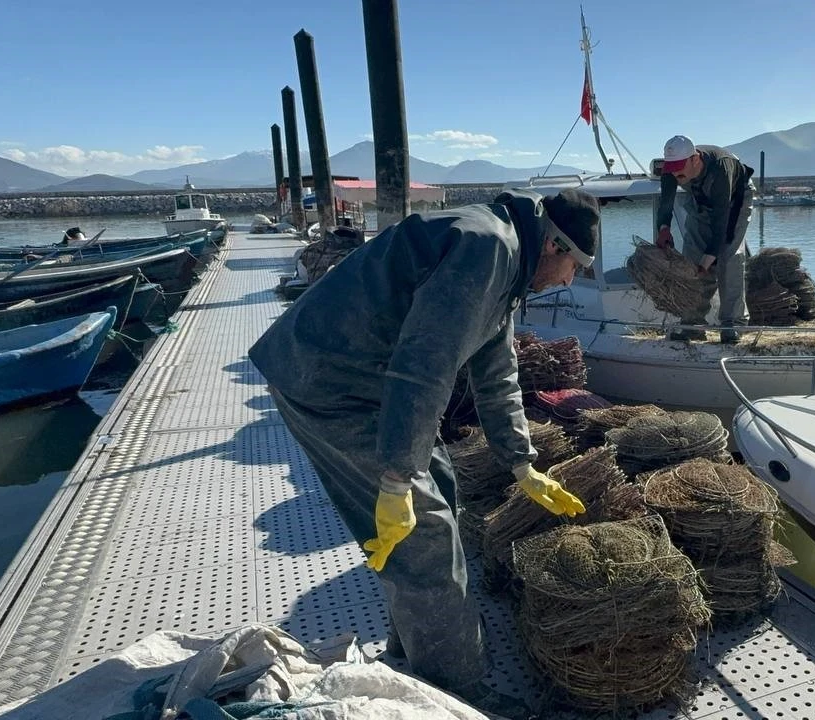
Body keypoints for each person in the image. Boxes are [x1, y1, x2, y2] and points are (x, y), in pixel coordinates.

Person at [247, 188, 599, 719]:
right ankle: (454, 692)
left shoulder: (508, 252)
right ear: (554, 245)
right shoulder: (487, 248)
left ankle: (412, 650)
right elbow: (425, 365)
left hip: (365, 380)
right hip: (329, 383)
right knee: (425, 534)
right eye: (575, 266)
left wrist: (521, 462)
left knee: (444, 492)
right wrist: (395, 479)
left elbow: (496, 371)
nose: (570, 281)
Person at [654, 135, 756, 344]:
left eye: (680, 167)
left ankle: (732, 324)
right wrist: (663, 229)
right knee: (691, 259)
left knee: (729, 258)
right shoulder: (671, 170)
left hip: (734, 201)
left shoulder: (721, 168)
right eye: (671, 168)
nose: (675, 172)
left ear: (695, 160)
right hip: (700, 200)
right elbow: (666, 202)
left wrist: (708, 260)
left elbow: (721, 222)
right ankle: (692, 324)